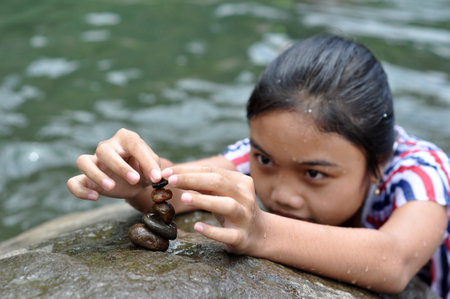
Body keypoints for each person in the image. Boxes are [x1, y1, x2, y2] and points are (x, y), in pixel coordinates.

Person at [67, 35, 450, 297]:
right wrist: (136, 181)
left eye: (314, 174)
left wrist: (262, 231)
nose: (281, 193)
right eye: (264, 159)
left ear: (377, 163)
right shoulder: (266, 153)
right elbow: (180, 187)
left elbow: (395, 261)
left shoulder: (422, 173)